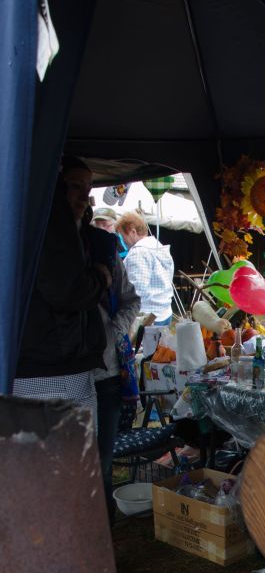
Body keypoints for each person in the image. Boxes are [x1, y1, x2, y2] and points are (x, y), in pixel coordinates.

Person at [12, 156, 110, 425]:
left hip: (43, 364)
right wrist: (100, 279)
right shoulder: (51, 225)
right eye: (76, 186)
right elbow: (68, 291)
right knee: (66, 448)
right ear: (55, 187)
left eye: (88, 189)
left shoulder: (29, 224)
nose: (84, 198)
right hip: (52, 366)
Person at [91, 207, 141, 523]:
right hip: (63, 375)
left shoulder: (107, 253)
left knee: (102, 463)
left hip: (106, 375)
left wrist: (113, 330)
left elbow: (131, 300)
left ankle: (104, 531)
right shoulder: (45, 249)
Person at [116, 211, 174, 326]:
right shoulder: (157, 246)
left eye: (122, 235)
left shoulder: (139, 252)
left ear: (132, 232)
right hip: (164, 311)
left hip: (147, 317)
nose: (122, 241)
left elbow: (137, 290)